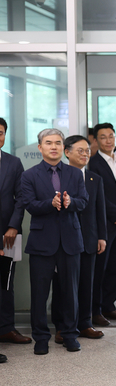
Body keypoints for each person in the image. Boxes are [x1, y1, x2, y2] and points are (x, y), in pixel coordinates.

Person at [20, 129, 88, 355]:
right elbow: (29, 205)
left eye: (58, 143)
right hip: (42, 242)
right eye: (48, 143)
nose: (54, 147)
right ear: (40, 147)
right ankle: (40, 338)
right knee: (40, 294)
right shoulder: (29, 175)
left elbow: (84, 202)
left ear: (63, 148)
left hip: (70, 240)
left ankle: (70, 335)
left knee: (70, 292)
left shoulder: (75, 174)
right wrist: (51, 203)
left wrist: (71, 201)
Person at [51, 135, 107, 343]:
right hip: (64, 240)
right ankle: (62, 326)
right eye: (80, 151)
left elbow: (99, 210)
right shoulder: (58, 176)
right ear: (67, 152)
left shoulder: (94, 178)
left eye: (87, 151)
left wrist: (102, 236)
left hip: (89, 239)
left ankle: (85, 323)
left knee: (86, 283)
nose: (85, 154)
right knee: (63, 285)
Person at [88, 122, 116, 326]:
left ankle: (109, 306)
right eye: (103, 137)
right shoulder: (93, 163)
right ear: (96, 140)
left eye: (111, 136)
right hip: (104, 224)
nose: (108, 140)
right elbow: (97, 196)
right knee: (101, 269)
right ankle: (95, 310)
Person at [0, 117, 31, 345]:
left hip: (9, 235)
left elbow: (21, 198)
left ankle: (7, 328)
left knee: (7, 282)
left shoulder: (14, 162)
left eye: (0, 132)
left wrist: (13, 226)